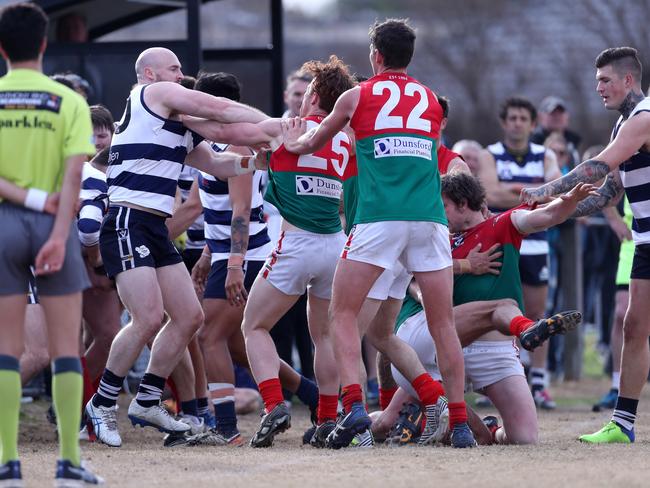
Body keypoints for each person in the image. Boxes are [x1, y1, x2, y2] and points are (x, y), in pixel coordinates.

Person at [282, 19, 475, 448]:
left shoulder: (356, 95)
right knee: (441, 323)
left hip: (378, 220)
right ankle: (459, 424)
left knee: (343, 316)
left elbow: (315, 142)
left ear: (376, 55)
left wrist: (291, 142)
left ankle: (352, 409)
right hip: (428, 220)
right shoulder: (431, 101)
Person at [85, 46, 269, 448]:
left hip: (154, 225)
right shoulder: (150, 94)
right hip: (128, 218)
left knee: (189, 317)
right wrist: (279, 124)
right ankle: (101, 403)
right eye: (174, 67)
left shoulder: (175, 125)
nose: (181, 73)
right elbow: (218, 108)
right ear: (149, 74)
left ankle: (148, 397)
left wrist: (260, 161)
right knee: (148, 318)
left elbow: (221, 164)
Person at [186, 56, 356, 448]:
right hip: (335, 244)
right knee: (323, 336)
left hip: (296, 244)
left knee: (253, 327)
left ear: (314, 96)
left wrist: (180, 116)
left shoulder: (284, 128)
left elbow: (227, 129)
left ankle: (275, 404)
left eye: (307, 90)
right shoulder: (344, 136)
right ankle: (327, 417)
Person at [378, 173, 587, 445]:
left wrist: (568, 201)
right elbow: (412, 281)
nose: (438, 213)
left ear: (463, 204)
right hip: (444, 343)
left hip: (494, 350)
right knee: (385, 423)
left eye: (443, 206)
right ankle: (526, 328)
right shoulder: (434, 236)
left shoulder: (502, 224)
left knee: (524, 438)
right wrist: (462, 267)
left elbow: (547, 216)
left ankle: (485, 430)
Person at [521, 47, 650, 444]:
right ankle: (623, 424)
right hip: (645, 240)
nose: (598, 88)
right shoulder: (623, 125)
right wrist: (557, 211)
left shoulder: (643, 118)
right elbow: (606, 194)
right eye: (597, 81)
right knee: (633, 326)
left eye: (605, 80)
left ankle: (623, 422)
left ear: (628, 80)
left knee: (633, 325)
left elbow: (596, 167)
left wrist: (544, 191)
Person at [0, 3, 103, 485]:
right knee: (65, 350)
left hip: (4, 226)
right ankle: (68, 463)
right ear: (44, 44)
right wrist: (60, 235)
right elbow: (75, 176)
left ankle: (8, 464)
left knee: (6, 350)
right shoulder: (71, 102)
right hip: (56, 228)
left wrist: (30, 198)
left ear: (1, 48)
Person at [479, 96, 562, 409]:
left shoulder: (545, 154)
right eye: (511, 118)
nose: (516, 123)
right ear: (504, 122)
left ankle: (539, 380)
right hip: (502, 241)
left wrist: (512, 190)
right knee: (498, 311)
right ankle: (500, 379)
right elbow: (489, 191)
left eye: (522, 119)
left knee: (537, 311)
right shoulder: (491, 154)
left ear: (532, 124)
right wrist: (532, 193)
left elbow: (557, 190)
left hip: (537, 242)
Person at [530, 96, 581, 167]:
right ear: (540, 117)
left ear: (567, 116)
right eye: (552, 113)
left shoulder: (575, 143)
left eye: (561, 112)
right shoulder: (530, 145)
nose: (557, 117)